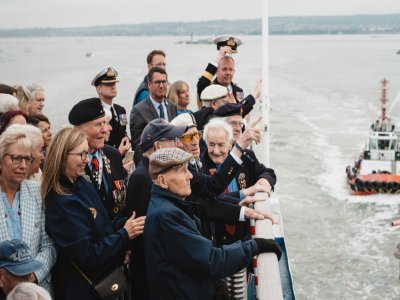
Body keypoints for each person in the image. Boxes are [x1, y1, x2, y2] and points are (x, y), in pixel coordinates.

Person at [145, 147, 282, 299]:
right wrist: (255, 246)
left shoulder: (170, 206)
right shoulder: (167, 216)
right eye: (183, 171)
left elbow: (193, 260)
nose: (190, 175)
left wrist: (215, 285)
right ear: (163, 181)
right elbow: (210, 261)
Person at [42, 127, 145, 300]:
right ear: (62, 156)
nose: (86, 160)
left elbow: (102, 228)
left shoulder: (83, 184)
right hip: (84, 290)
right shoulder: (60, 202)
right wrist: (124, 235)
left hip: (105, 280)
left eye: (87, 154)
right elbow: (87, 255)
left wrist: (128, 225)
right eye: (81, 155)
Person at [202, 117, 276, 245]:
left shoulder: (246, 156)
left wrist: (263, 183)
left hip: (244, 234)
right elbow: (213, 199)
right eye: (211, 144)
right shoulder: (200, 165)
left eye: (221, 144)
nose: (216, 151)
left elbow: (268, 173)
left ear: (231, 144)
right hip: (216, 240)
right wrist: (247, 192)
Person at [0, 125, 56, 294]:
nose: (23, 165)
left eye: (28, 159)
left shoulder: (37, 192)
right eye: (16, 158)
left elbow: (49, 246)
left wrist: (31, 276)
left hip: (35, 289)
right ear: (1, 159)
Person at [68, 97, 127, 220]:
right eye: (98, 124)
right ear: (79, 129)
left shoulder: (113, 155)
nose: (105, 129)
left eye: (105, 123)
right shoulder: (70, 162)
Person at [129, 67, 177, 165]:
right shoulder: (138, 110)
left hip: (172, 161)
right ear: (149, 84)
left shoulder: (172, 106)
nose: (161, 85)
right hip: (152, 164)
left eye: (164, 82)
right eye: (158, 82)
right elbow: (138, 147)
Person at [196, 44, 260, 114]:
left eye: (230, 69)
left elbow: (240, 111)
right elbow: (202, 83)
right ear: (216, 72)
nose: (228, 73)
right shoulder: (209, 89)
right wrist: (220, 56)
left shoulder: (239, 90)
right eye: (224, 69)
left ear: (234, 71)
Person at [92, 66, 129, 149]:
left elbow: (124, 131)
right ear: (99, 89)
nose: (113, 87)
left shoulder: (121, 110)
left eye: (114, 83)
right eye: (108, 84)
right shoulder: (96, 114)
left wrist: (127, 142)